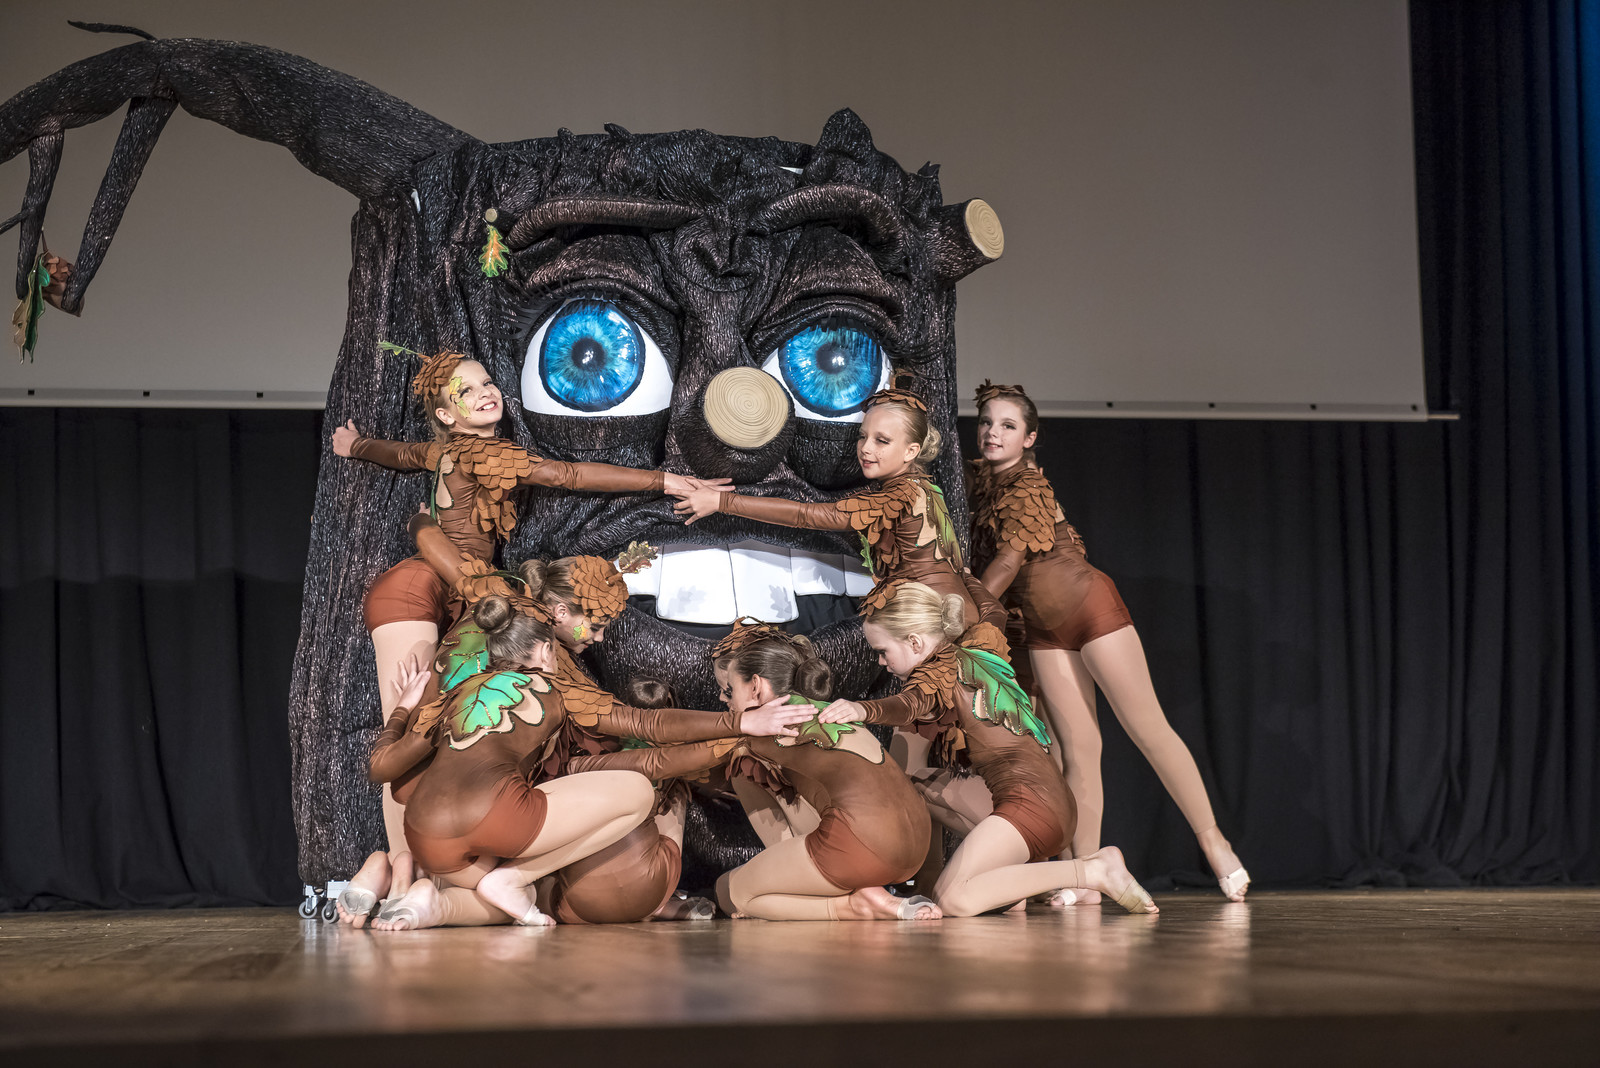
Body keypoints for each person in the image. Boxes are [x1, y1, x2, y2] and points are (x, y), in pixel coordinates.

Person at [330, 348, 719, 885]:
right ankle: (406, 876)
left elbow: (404, 454)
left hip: (457, 587)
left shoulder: (446, 450)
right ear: (446, 414)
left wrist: (358, 447)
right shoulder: (481, 453)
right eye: (466, 391)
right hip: (424, 585)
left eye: (487, 381)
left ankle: (414, 877)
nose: (485, 392)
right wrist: (665, 482)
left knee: (425, 730)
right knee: (411, 726)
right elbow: (568, 475)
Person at [968, 381, 1248, 901]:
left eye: (1008, 425)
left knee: (1148, 728)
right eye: (986, 422)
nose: (993, 432)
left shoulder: (1027, 486)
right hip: (1044, 631)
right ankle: (1086, 872)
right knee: (1078, 751)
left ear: (1030, 437)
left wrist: (966, 613)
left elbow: (1007, 561)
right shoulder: (982, 486)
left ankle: (1215, 843)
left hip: (1090, 609)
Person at [820, 581, 1158, 917]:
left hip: (1033, 806)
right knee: (918, 785)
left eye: (883, 651)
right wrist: (968, 578)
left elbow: (909, 704)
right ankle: (954, 883)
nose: (881, 662)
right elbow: (993, 610)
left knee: (954, 899)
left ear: (915, 642)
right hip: (1050, 798)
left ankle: (1091, 870)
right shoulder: (978, 644)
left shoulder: (937, 673)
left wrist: (861, 709)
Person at [670, 379, 1004, 630]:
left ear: (911, 451)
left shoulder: (899, 496)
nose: (866, 449)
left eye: (882, 441)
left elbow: (808, 515)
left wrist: (721, 500)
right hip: (947, 618)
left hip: (941, 627)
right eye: (863, 436)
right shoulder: (922, 488)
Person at [715, 633, 941, 922]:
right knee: (730, 885)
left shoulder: (774, 728)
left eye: (730, 690)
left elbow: (697, 753)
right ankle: (865, 893)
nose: (724, 700)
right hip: (915, 850)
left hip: (864, 847)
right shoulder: (833, 711)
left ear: (756, 687)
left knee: (735, 893)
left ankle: (854, 906)